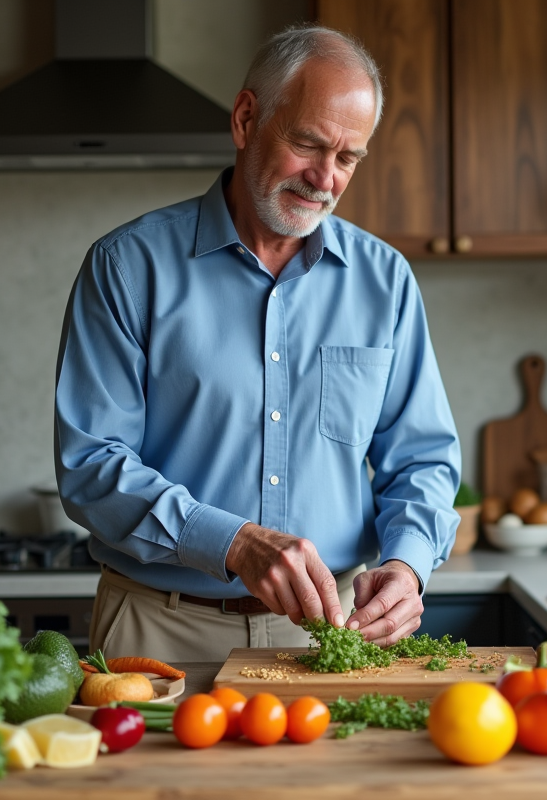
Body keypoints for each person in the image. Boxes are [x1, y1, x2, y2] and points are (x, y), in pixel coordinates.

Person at [54, 25, 460, 664]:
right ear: (247, 119)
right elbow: (90, 463)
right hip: (160, 629)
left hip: (330, 632)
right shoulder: (127, 267)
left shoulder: (385, 280)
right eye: (308, 144)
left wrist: (408, 565)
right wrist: (234, 543)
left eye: (348, 158)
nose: (325, 178)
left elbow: (422, 460)